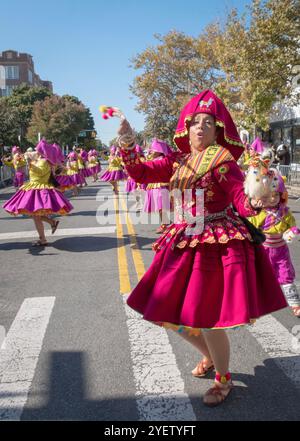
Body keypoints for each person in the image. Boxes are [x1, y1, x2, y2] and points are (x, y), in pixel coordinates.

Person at [113, 90, 287, 407]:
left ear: (217, 130)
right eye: (195, 122)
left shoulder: (222, 162)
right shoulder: (177, 160)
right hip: (181, 241)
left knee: (205, 317)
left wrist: (253, 202)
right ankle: (209, 356)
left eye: (208, 123)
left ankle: (223, 379)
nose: (200, 128)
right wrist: (127, 142)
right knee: (165, 312)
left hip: (215, 243)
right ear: (186, 127)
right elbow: (139, 172)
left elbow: (239, 198)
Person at [248, 168, 300, 317]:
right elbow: (251, 227)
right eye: (268, 196)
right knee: (260, 276)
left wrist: (292, 232)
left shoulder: (285, 212)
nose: (272, 199)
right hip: (264, 250)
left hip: (281, 250)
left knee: (286, 276)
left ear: (281, 195)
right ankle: (256, 302)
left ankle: (295, 304)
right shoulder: (258, 213)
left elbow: (293, 226)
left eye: (276, 195)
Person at [3, 140, 73, 246]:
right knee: (35, 214)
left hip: (40, 189)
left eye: (37, 149)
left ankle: (43, 238)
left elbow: (40, 172)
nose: (35, 151)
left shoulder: (45, 161)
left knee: (35, 215)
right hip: (32, 188)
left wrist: (30, 163)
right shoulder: (38, 159)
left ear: (41, 151)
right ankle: (51, 224)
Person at [143, 139, 172, 233]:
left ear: (159, 151)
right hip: (153, 186)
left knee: (161, 206)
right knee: (159, 207)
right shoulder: (153, 159)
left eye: (153, 149)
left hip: (162, 187)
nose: (151, 151)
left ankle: (165, 224)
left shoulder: (163, 160)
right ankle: (165, 223)